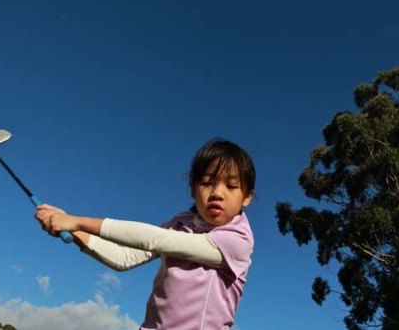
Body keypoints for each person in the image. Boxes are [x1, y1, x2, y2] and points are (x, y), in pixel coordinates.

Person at [35, 138, 256, 330]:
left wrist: (77, 221)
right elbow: (123, 257)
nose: (217, 193)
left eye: (231, 186)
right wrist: (72, 230)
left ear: (247, 196)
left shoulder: (238, 239)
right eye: (207, 183)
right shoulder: (179, 223)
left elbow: (157, 239)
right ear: (192, 189)